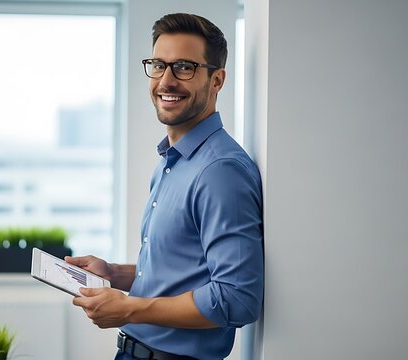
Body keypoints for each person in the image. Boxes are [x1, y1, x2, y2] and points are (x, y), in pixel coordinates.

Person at [67, 13, 263, 360]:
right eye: (159, 65)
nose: (166, 80)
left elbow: (236, 298)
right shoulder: (173, 161)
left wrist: (130, 309)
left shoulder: (220, 171)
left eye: (184, 67)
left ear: (217, 80)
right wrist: (113, 274)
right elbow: (184, 273)